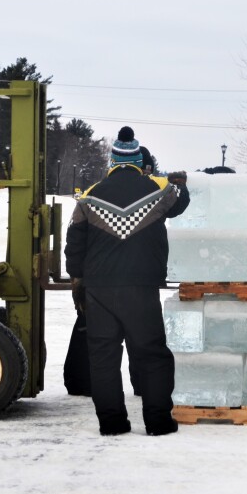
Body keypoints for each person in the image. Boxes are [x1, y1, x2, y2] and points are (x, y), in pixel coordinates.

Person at [65, 126, 189, 436]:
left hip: (99, 289)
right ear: (137, 160)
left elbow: (74, 244)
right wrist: (180, 183)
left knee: (104, 358)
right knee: (152, 354)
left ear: (112, 162)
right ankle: (159, 422)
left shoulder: (89, 196)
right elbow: (179, 202)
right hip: (140, 287)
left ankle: (112, 423)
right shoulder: (158, 190)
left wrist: (78, 280)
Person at [63, 131, 155, 397]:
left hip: (99, 278)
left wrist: (77, 276)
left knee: (94, 332)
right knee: (140, 334)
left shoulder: (95, 193)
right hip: (134, 278)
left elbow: (76, 238)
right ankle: (142, 384)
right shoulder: (151, 196)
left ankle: (83, 381)